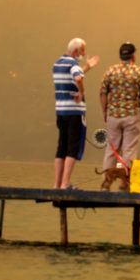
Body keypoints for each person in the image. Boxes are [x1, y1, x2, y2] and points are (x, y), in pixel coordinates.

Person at [99, 42, 140, 187]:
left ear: (120, 56)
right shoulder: (139, 72)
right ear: (133, 56)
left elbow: (103, 92)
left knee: (111, 149)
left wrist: (105, 111)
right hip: (133, 115)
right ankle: (125, 182)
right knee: (129, 149)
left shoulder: (111, 71)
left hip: (113, 115)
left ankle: (107, 182)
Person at [53, 37, 99, 189]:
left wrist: (87, 67)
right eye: (82, 51)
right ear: (75, 51)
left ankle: (57, 184)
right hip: (75, 112)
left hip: (61, 111)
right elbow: (78, 78)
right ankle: (65, 184)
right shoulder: (73, 63)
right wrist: (81, 92)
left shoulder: (58, 63)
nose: (83, 53)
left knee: (61, 148)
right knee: (72, 148)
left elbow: (76, 75)